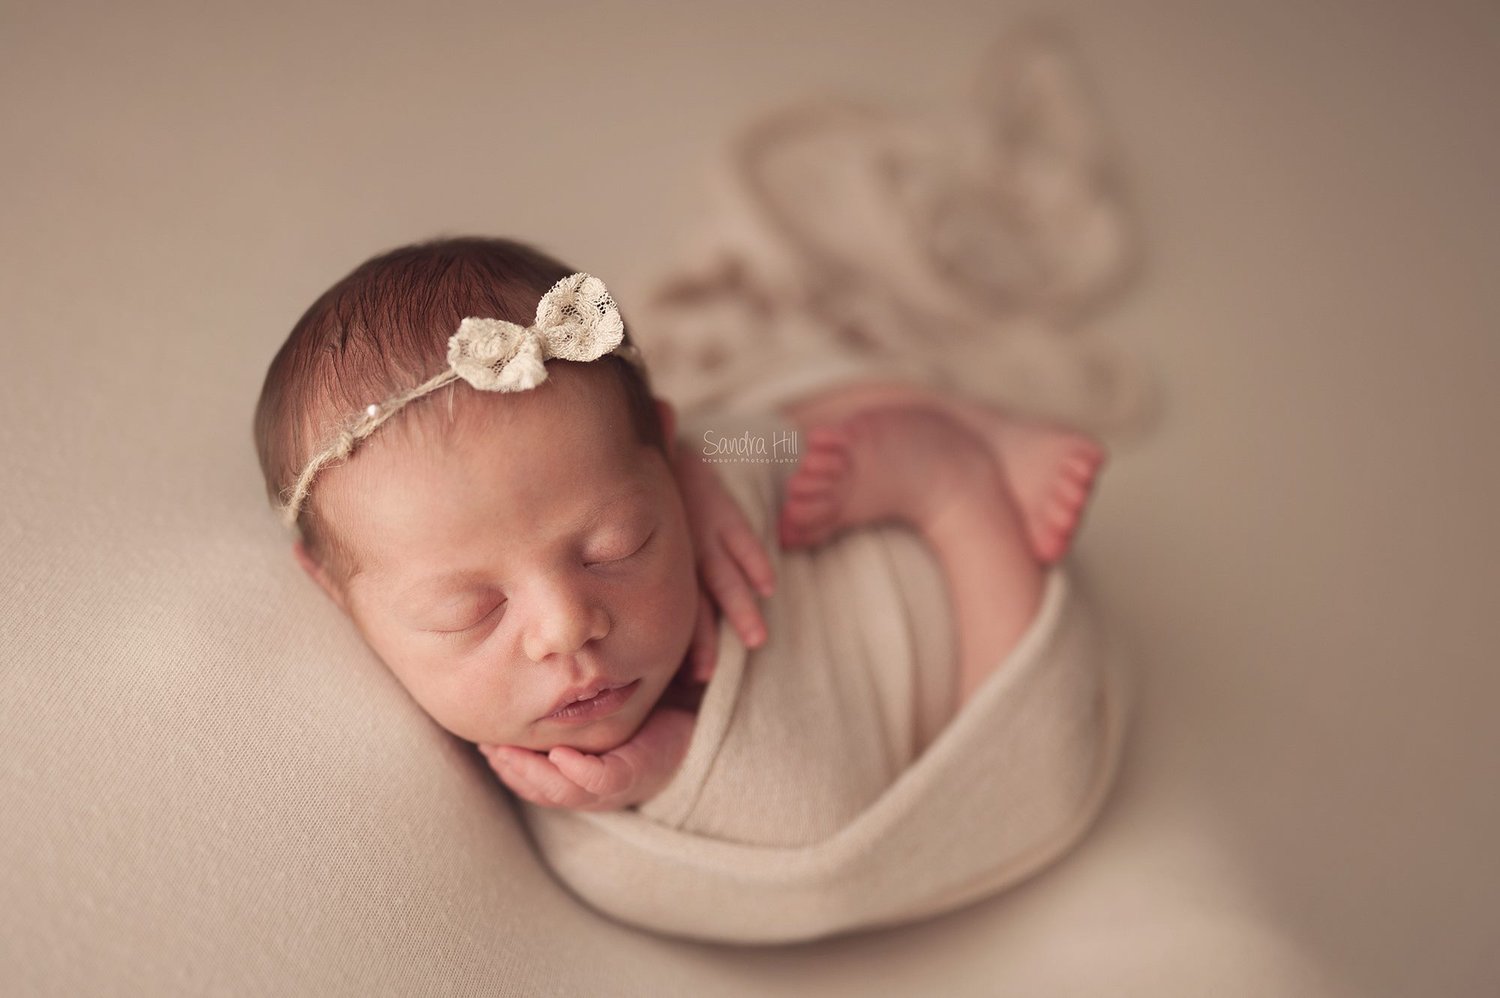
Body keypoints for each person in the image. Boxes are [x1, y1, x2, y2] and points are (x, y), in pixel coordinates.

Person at [253, 235, 1104, 816]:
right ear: (333, 588)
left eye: (617, 546)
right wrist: (668, 765)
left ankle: (958, 464)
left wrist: (698, 465)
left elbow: (743, 435)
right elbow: (807, 805)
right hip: (933, 687)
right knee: (1013, 771)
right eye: (469, 610)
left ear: (658, 447)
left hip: (837, 510)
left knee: (756, 433)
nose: (567, 626)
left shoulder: (683, 463)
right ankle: (955, 474)